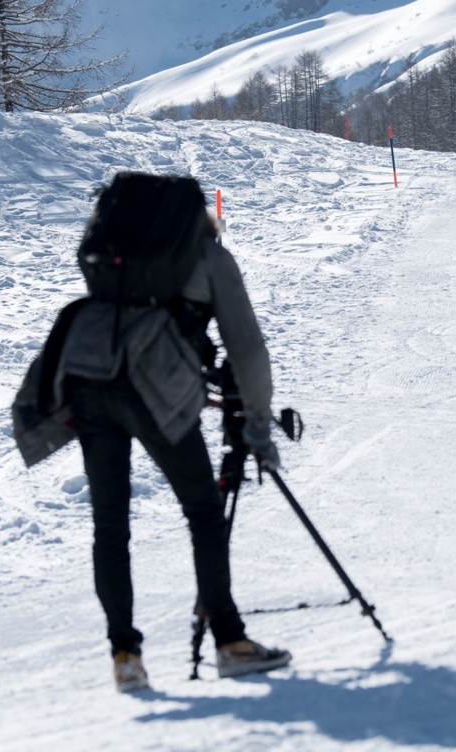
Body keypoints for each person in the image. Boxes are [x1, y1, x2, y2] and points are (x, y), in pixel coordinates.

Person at [55, 185, 291, 690]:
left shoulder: (120, 250)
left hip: (87, 376)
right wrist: (257, 426)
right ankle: (230, 642)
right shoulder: (208, 256)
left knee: (110, 524)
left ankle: (125, 657)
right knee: (204, 512)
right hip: (154, 387)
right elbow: (247, 351)